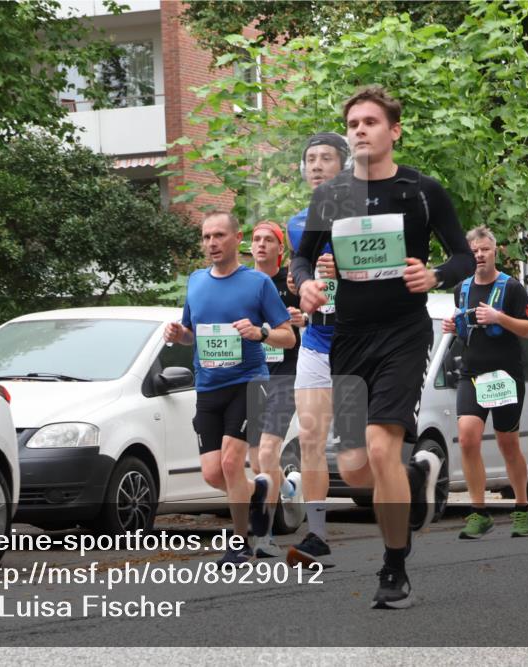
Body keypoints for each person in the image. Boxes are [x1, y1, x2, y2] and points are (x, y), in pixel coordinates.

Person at [291, 85, 474, 608]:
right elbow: (301, 260)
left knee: (379, 446)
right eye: (353, 125)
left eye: (370, 122)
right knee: (352, 468)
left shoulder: (421, 190)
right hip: (348, 337)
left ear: (393, 131)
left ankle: (393, 567)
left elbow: (463, 257)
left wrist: (434, 274)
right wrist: (303, 283)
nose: (360, 131)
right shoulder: (331, 196)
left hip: (402, 333)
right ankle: (414, 476)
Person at [164, 211, 295, 565]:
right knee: (212, 473)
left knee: (231, 461)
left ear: (238, 239)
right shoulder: (195, 281)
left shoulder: (257, 283)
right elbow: (192, 331)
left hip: (248, 384)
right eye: (206, 237)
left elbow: (288, 335)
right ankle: (259, 495)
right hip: (208, 387)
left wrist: (260, 332)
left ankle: (239, 543)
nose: (212, 243)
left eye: (219, 235)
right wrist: (179, 335)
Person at [440, 226, 528, 539]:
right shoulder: (462, 289)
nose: (480, 255)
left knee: (507, 443)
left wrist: (500, 318)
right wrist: (453, 326)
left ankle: (522, 507)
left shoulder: (510, 288)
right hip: (472, 374)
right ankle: (478, 512)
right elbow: (466, 329)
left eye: (484, 250)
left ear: (494, 252)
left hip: (504, 376)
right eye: (474, 251)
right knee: (468, 438)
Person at [284, 132, 349, 568]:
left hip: (363, 341)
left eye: (326, 158)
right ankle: (318, 535)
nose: (317, 165)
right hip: (316, 341)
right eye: (310, 159)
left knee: (359, 455)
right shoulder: (297, 223)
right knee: (311, 437)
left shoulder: (367, 213)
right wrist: (301, 280)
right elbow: (301, 272)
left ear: (344, 165)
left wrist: (342, 266)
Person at [247, 221, 305, 558]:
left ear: (280, 249)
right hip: (251, 376)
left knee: (267, 453)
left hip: (286, 375)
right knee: (257, 459)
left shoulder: (293, 283)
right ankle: (286, 485)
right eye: (256, 240)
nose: (262, 245)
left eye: (269, 240)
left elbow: (318, 321)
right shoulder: (241, 284)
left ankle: (264, 534)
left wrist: (303, 319)